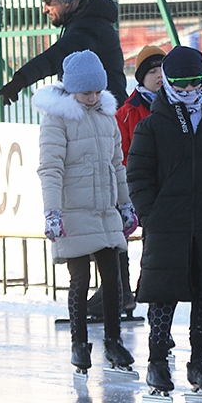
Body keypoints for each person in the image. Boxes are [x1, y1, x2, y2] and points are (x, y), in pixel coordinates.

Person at [127, 46, 202, 395]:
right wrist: (151, 214)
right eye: (178, 84)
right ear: (166, 83)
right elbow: (137, 175)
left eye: (193, 83)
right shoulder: (152, 127)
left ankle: (198, 362)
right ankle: (157, 361)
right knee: (163, 295)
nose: (186, 91)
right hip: (167, 227)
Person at [32, 50, 136, 374]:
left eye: (96, 92)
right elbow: (50, 169)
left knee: (113, 278)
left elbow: (117, 165)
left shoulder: (107, 117)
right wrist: (52, 212)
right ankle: (79, 343)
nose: (92, 98)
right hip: (73, 212)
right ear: (70, 89)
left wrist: (126, 203)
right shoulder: (57, 119)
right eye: (85, 92)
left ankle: (114, 340)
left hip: (104, 211)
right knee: (79, 278)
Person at [85, 45, 165, 320]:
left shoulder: (176, 107)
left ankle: (146, 293)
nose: (158, 76)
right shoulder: (129, 112)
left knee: (156, 245)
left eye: (162, 70)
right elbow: (120, 154)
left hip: (166, 189)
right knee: (115, 235)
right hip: (136, 187)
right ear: (141, 77)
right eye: (152, 71)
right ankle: (120, 291)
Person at [0, 0, 127, 107]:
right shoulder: (82, 21)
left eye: (48, 2)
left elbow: (56, 57)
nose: (44, 9)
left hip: (105, 114)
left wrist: (20, 80)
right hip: (97, 110)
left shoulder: (89, 26)